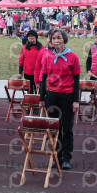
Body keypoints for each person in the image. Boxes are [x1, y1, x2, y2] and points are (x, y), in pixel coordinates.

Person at [39, 28, 81, 170]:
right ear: (50, 41)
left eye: (59, 37)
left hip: (67, 96)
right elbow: (43, 78)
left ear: (64, 39)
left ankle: (67, 157)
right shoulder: (47, 56)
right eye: (53, 38)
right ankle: (57, 156)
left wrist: (76, 101)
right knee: (54, 128)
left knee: (67, 128)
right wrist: (42, 98)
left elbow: (76, 80)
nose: (56, 40)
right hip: (51, 96)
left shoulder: (73, 57)